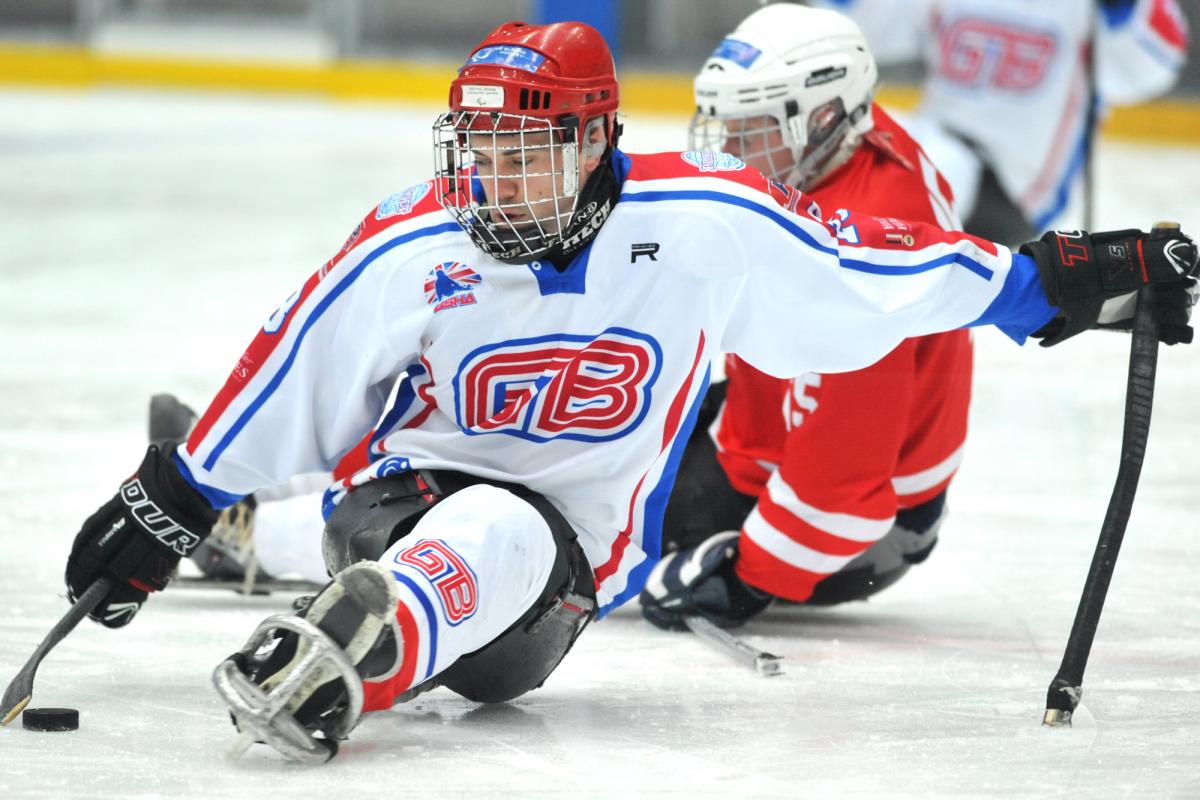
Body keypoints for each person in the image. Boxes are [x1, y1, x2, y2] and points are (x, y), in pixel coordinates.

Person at [61, 19, 1196, 763]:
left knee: (501, 526)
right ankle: (333, 613)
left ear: (597, 141)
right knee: (438, 508)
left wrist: (1068, 278)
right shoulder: (412, 243)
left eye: (525, 152)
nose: (493, 180)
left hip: (556, 577)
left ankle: (351, 625)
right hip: (396, 501)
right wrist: (173, 496)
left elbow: (874, 275)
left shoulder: (706, 221)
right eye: (481, 149)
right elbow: (292, 368)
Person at [640, 4, 972, 632]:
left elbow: (845, 473)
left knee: (605, 506)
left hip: (867, 527)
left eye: (749, 133)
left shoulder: (864, 253)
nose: (727, 151)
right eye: (726, 127)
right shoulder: (850, 143)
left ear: (820, 119)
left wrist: (747, 580)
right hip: (798, 437)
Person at [808, 0, 1189, 244]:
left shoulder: (1083, 9)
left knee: (900, 154)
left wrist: (1124, 8)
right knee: (833, 129)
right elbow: (864, 25)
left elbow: (1152, 68)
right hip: (938, 152)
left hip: (1014, 190)